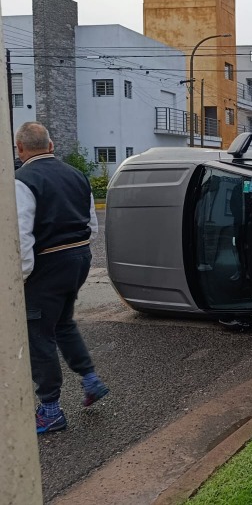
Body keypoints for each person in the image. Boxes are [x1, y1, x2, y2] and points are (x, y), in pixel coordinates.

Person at [14, 122, 109, 434]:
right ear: (51, 145)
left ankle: (50, 409)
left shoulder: (22, 180)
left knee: (39, 335)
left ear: (20, 148)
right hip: (79, 257)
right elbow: (91, 225)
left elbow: (22, 236)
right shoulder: (76, 175)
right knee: (63, 323)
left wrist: (23, 277)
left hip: (47, 264)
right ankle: (90, 379)